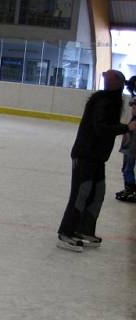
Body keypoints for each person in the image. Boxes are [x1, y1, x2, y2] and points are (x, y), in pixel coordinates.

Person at [56, 69, 136, 251]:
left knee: (97, 193)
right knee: (80, 194)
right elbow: (100, 128)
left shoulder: (113, 101)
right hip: (85, 155)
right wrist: (126, 128)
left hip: (98, 157)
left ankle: (84, 229)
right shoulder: (102, 101)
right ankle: (66, 232)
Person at [116, 98, 136, 202]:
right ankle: (128, 189)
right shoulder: (133, 119)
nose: (133, 110)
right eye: (133, 108)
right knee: (126, 169)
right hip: (128, 148)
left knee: (127, 169)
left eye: (134, 107)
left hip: (131, 149)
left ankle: (130, 190)